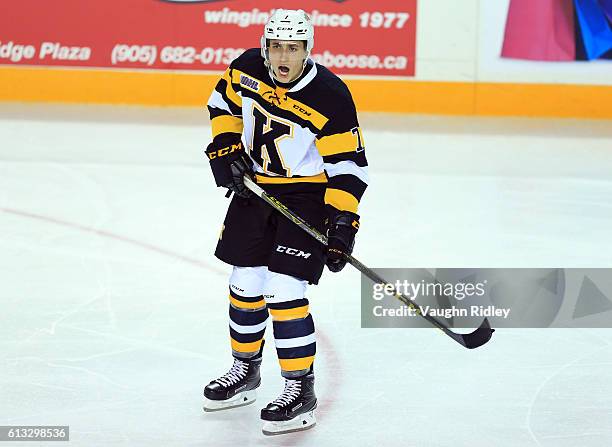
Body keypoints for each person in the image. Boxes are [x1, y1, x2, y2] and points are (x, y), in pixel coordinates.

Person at [202, 8, 368, 435]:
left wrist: (342, 223)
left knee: (284, 289)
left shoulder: (330, 94)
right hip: (256, 189)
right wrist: (226, 146)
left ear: (307, 50)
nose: (283, 56)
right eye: (276, 46)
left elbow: (349, 165)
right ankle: (246, 370)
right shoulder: (245, 68)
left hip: (307, 196)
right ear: (265, 46)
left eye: (293, 48)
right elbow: (221, 102)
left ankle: (300, 390)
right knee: (244, 283)